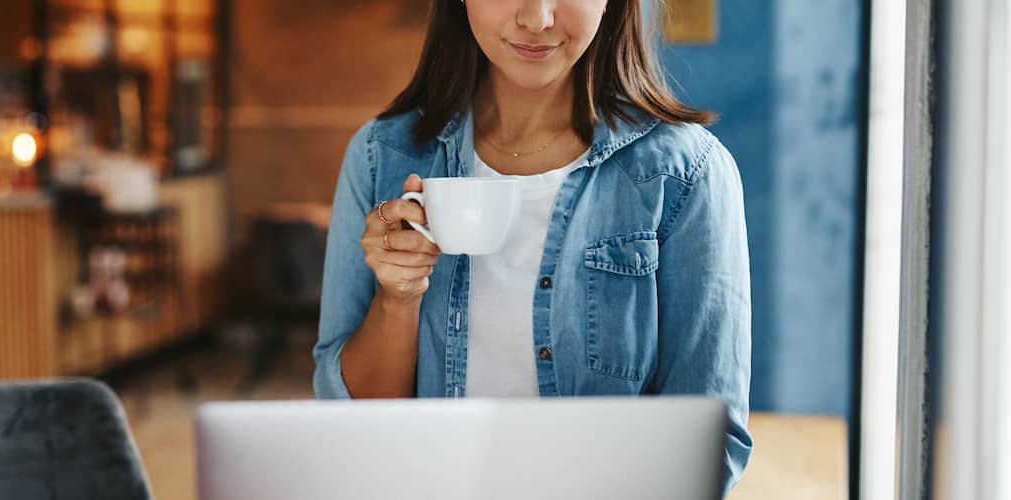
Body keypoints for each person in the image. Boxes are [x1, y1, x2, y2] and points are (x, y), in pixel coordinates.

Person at [313, 0, 752, 491]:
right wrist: (398, 297)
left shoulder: (687, 174)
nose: (538, 18)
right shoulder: (381, 158)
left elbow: (711, 444)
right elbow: (354, 427)